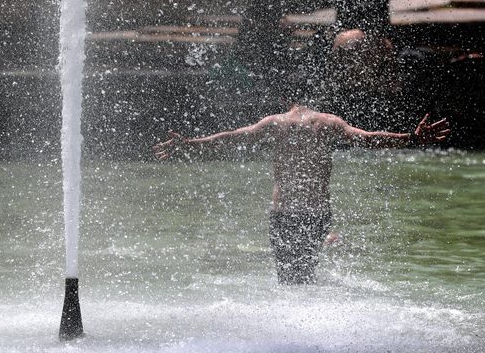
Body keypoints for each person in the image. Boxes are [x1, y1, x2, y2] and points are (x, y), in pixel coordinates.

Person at [153, 104, 450, 285]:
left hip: (283, 214)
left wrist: (191, 144)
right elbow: (369, 140)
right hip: (318, 215)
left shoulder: (276, 123)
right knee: (306, 276)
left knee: (288, 281)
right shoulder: (330, 123)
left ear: (287, 101)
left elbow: (230, 138)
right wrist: (410, 137)